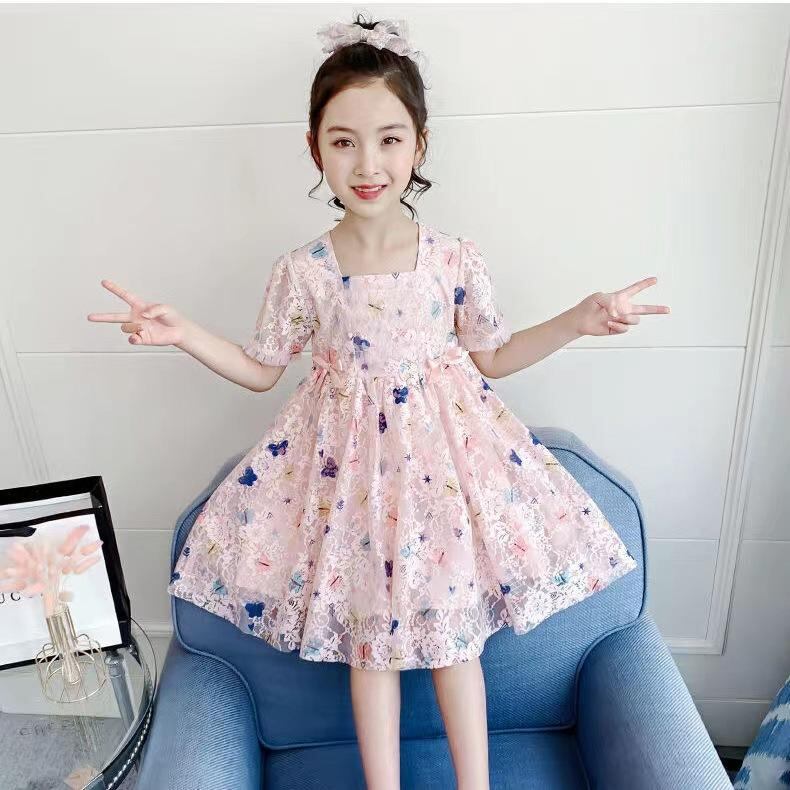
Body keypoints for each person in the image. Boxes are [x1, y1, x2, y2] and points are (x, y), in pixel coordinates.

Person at [87, 14, 670, 790]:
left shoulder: (453, 258)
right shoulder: (304, 271)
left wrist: (579, 320)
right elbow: (261, 369)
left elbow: (493, 355)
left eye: (389, 139)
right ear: (315, 149)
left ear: (419, 145)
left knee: (457, 649)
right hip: (351, 495)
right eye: (344, 141)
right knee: (371, 653)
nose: (367, 163)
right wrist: (182, 331)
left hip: (445, 490)